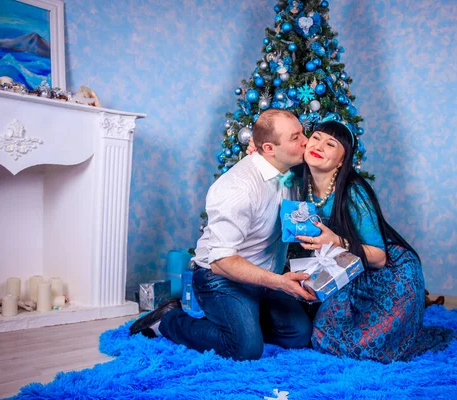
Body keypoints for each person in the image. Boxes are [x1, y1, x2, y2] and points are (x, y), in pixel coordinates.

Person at [129, 109, 317, 361]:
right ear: (270, 148)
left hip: (263, 277)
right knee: (246, 349)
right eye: (296, 137)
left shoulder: (290, 172)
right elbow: (221, 261)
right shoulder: (237, 187)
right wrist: (280, 282)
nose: (306, 140)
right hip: (220, 275)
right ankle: (168, 319)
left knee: (299, 335)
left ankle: (240, 319)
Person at [295, 120, 456, 363]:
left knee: (366, 346)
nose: (319, 146)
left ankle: (411, 313)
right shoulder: (296, 180)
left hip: (386, 275)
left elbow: (379, 258)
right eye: (316, 137)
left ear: (342, 160)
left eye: (331, 144)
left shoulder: (353, 192)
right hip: (343, 270)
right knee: (323, 336)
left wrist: (338, 240)